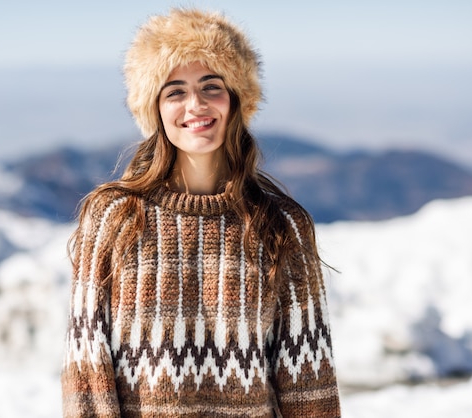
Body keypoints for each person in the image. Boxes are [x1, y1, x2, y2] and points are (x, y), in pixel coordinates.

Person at [61, 8, 341, 417]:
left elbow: (311, 385)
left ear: (236, 100)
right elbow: (87, 373)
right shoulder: (114, 218)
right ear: (154, 109)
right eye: (175, 91)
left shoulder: (282, 227)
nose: (195, 105)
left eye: (211, 86)